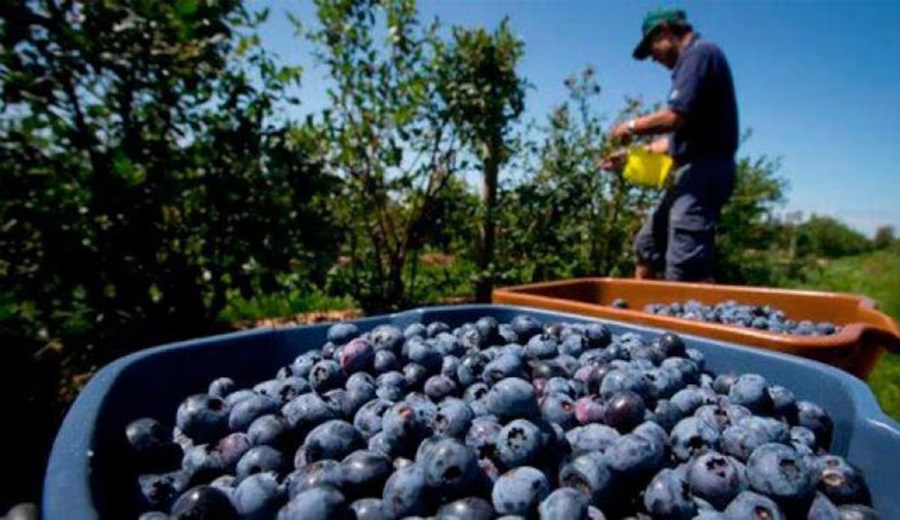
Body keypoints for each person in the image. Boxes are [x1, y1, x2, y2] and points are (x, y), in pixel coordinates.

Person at [603, 8, 738, 282]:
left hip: (704, 173)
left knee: (685, 266)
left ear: (665, 31)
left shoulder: (700, 54)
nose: (653, 57)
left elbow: (675, 117)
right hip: (692, 172)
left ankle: (684, 319)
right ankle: (642, 316)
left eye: (651, 47)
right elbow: (678, 139)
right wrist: (630, 157)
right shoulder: (695, 61)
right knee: (648, 245)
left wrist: (631, 127)